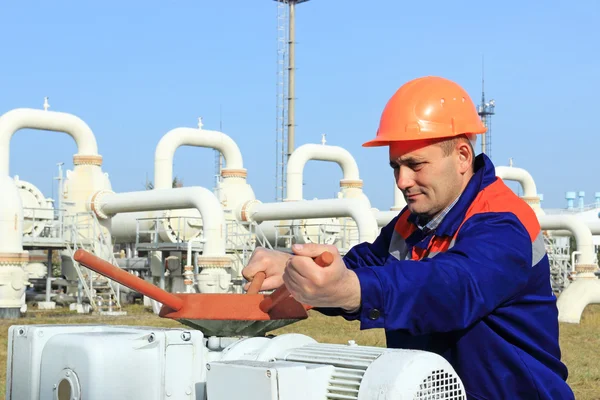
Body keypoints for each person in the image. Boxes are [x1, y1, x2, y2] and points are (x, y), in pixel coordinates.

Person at [243, 76, 573, 399]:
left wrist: (351, 288)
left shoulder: (503, 223)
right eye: (395, 167)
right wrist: (296, 266)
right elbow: (359, 267)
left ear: (461, 156)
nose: (402, 181)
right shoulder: (412, 223)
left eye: (415, 165)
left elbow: (451, 288)